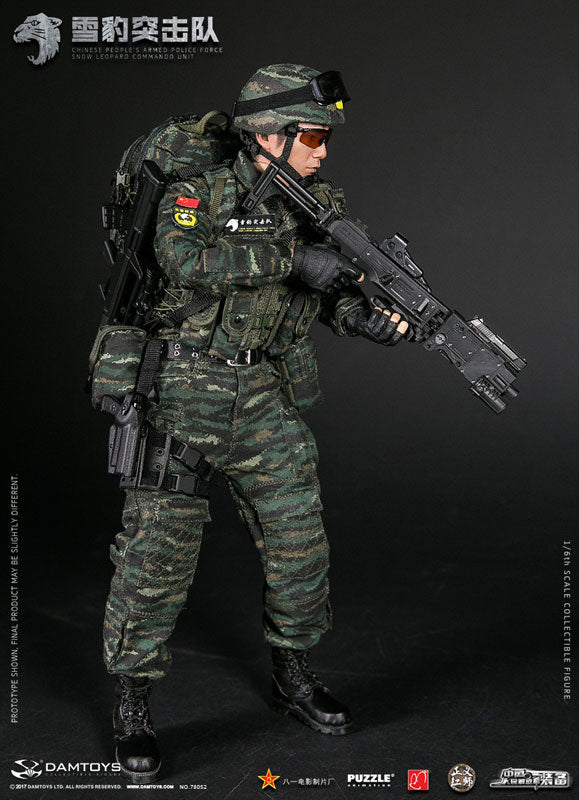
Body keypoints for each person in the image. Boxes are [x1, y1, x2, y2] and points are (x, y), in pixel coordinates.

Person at [102, 63, 411, 784]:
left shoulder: (318, 206)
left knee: (299, 538)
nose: (323, 150)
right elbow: (183, 259)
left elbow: (325, 294)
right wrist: (293, 257)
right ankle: (132, 699)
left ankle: (292, 673)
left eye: (325, 138)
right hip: (184, 388)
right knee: (157, 553)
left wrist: (362, 317)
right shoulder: (199, 192)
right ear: (266, 134)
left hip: (264, 390)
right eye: (312, 136)